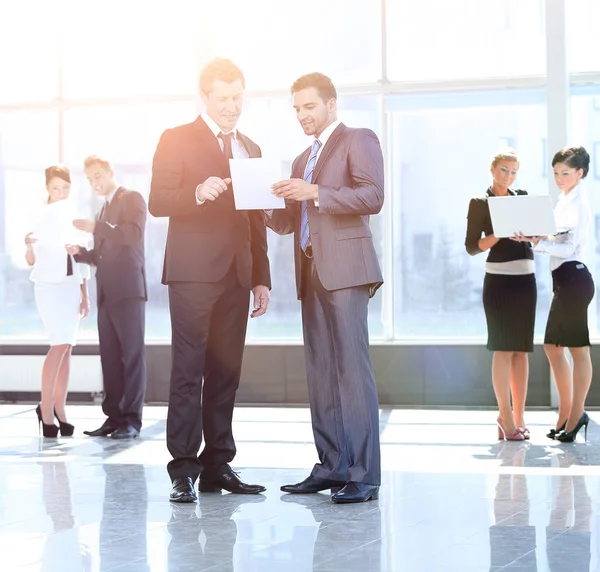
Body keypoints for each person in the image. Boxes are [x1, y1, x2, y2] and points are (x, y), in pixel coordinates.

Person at [149, 58, 271, 503]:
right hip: (193, 275)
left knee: (226, 374)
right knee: (188, 371)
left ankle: (218, 466)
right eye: (223, 99)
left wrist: (261, 277)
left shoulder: (251, 148)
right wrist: (198, 192)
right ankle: (183, 469)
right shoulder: (176, 139)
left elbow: (256, 217)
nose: (232, 107)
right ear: (204, 97)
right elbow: (157, 201)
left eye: (237, 97)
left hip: (238, 277)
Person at [269, 72, 383, 504]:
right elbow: (288, 221)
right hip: (310, 271)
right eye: (296, 108)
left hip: (347, 271)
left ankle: (364, 474)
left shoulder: (359, 139)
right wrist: (264, 204)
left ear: (331, 105)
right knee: (321, 373)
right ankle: (333, 466)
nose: (302, 115)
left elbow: (372, 196)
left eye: (309, 106)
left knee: (352, 372)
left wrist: (315, 190)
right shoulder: (301, 159)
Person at [66, 155, 147, 440]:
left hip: (128, 292)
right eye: (90, 178)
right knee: (110, 358)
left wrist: (95, 228)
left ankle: (132, 421)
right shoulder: (101, 211)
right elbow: (102, 256)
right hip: (106, 293)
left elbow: (131, 236)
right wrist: (81, 252)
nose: (95, 182)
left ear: (111, 172)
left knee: (132, 356)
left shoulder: (132, 198)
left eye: (98, 175)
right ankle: (113, 418)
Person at [517, 146, 594, 442]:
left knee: (578, 350)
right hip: (564, 280)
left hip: (574, 277)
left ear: (580, 173)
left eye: (566, 173)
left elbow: (569, 248)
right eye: (556, 173)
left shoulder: (578, 204)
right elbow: (553, 237)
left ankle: (576, 415)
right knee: (552, 346)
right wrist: (533, 238)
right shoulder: (562, 201)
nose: (560, 178)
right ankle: (567, 413)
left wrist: (539, 242)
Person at [465, 149, 535, 442]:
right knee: (503, 348)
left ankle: (519, 417)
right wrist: (499, 234)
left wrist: (533, 235)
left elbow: (534, 235)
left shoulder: (523, 196)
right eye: (504, 170)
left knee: (521, 350)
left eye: (514, 171)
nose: (509, 176)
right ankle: (504, 416)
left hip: (525, 280)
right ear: (493, 169)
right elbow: (472, 246)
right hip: (499, 282)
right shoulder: (480, 203)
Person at [26, 165, 90, 438]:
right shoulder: (39, 214)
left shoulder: (75, 215)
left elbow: (84, 257)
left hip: (71, 286)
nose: (61, 192)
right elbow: (30, 260)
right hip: (49, 287)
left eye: (65, 187)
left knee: (68, 348)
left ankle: (60, 410)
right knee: (59, 344)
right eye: (56, 187)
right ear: (47, 188)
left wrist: (85, 295)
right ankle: (45, 408)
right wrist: (28, 245)